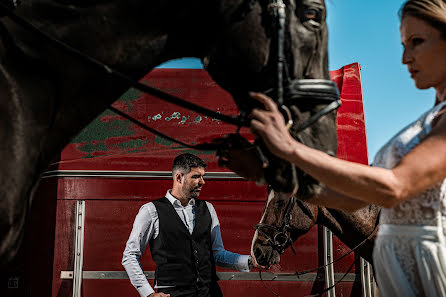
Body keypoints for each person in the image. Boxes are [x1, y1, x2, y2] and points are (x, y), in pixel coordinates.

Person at [248, 0, 446, 296]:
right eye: (404, 44)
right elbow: (355, 203)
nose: (405, 57)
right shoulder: (429, 121)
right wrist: (277, 177)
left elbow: (394, 186)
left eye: (416, 42)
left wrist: (291, 149)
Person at [122, 153, 256, 297]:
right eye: (196, 176)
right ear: (179, 177)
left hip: (209, 292)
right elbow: (130, 255)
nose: (202, 182)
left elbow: (216, 253)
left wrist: (250, 261)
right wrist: (148, 293)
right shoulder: (151, 210)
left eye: (203, 176)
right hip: (173, 294)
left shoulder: (208, 209)